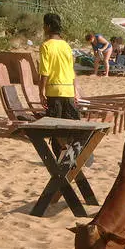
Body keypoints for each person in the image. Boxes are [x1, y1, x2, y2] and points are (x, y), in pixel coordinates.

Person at [38, 13, 80, 157]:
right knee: (70, 127)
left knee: (55, 129)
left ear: (48, 26)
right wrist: (75, 91)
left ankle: (59, 159)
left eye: (44, 25)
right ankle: (72, 156)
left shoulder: (46, 46)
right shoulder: (66, 46)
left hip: (54, 91)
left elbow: (45, 72)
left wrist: (41, 92)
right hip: (68, 90)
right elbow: (72, 70)